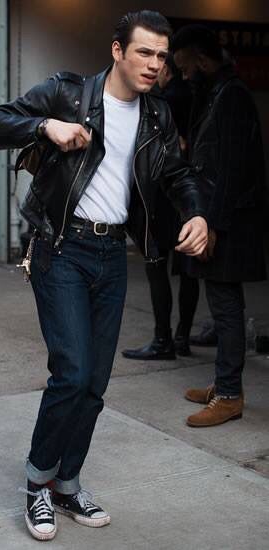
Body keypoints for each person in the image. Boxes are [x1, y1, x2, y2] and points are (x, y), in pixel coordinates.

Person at [0, 11, 208, 541]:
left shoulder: (157, 116)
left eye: (162, 56)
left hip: (111, 255)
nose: (155, 64)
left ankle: (67, 481)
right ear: (117, 51)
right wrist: (44, 126)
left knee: (96, 383)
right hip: (62, 247)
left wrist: (196, 211)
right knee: (73, 371)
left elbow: (176, 173)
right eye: (144, 52)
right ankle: (37, 481)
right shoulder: (68, 93)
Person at [171, 25, 267, 427]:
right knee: (221, 305)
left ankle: (229, 396)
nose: (182, 75)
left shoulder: (232, 97)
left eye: (185, 67)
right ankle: (224, 383)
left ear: (203, 60)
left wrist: (213, 225)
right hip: (218, 217)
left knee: (227, 311)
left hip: (227, 223)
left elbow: (230, 170)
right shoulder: (214, 93)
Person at [122, 53, 198, 361]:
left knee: (156, 267)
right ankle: (182, 337)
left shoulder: (161, 103)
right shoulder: (199, 97)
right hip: (188, 196)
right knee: (189, 271)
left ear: (166, 68)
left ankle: (163, 339)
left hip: (162, 198)